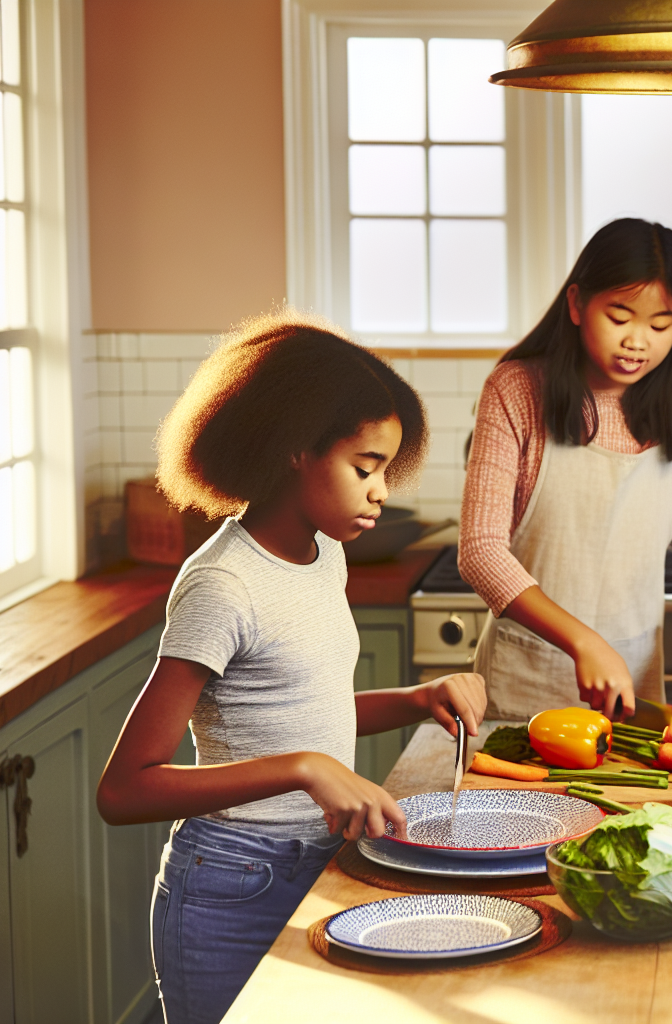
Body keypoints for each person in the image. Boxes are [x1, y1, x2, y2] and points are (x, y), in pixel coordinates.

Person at [95, 313, 488, 1024]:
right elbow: (124, 790)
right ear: (294, 449)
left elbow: (302, 709)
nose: (380, 492)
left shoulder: (322, 552)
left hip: (321, 860)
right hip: (230, 883)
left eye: (384, 473)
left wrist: (414, 697)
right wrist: (304, 768)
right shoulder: (223, 584)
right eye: (364, 468)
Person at [460, 218, 672, 723]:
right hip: (524, 686)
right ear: (577, 304)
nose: (638, 341)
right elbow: (480, 552)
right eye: (620, 315)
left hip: (633, 687)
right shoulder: (515, 391)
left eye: (660, 324)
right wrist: (582, 641)